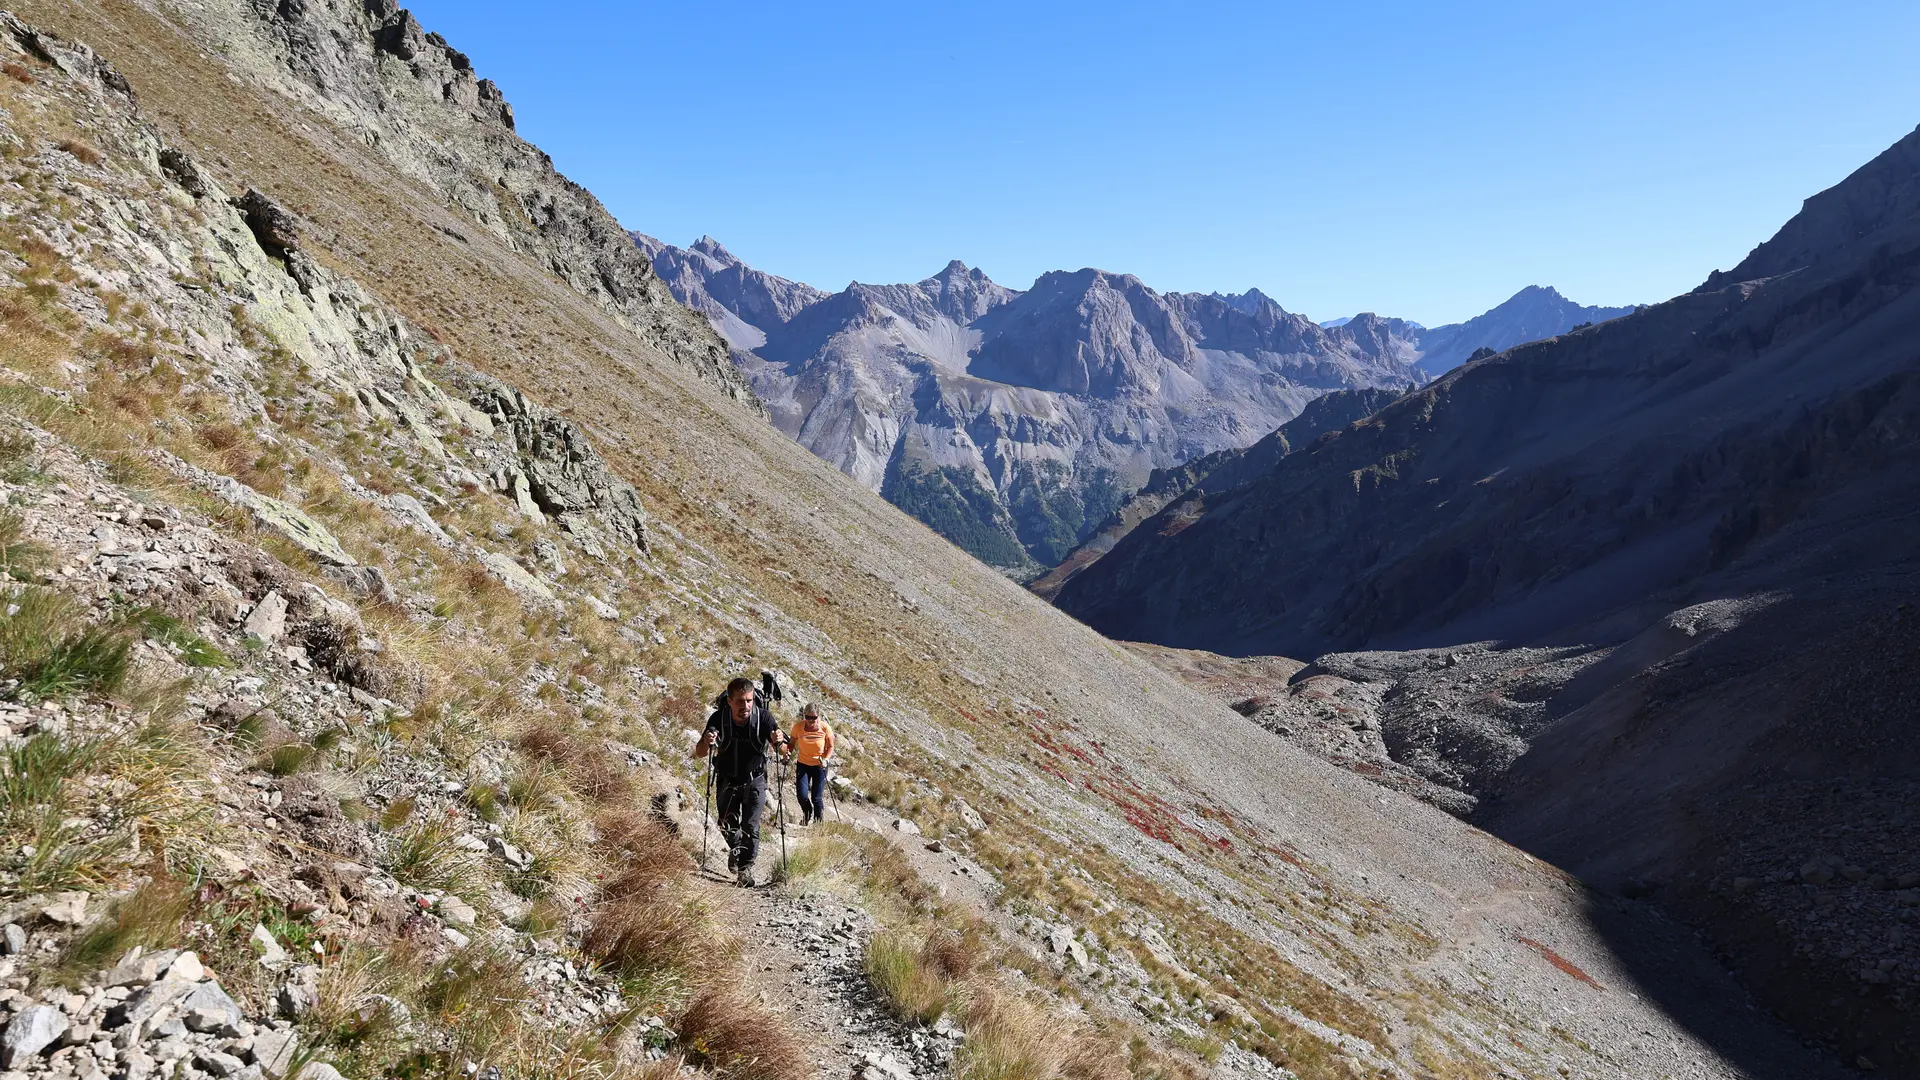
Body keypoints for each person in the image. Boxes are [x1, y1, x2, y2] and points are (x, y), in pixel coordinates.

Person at [691, 676, 790, 886]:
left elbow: (782, 751)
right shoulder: (718, 719)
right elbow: (700, 753)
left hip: (755, 780)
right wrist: (705, 741)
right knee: (727, 825)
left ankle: (745, 870)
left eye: (748, 700)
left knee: (751, 827)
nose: (745, 705)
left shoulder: (763, 718)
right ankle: (735, 848)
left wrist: (779, 742)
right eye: (740, 701)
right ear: (729, 700)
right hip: (726, 780)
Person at [788, 703, 835, 825]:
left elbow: (830, 746)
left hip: (820, 766)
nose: (810, 720)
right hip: (803, 764)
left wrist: (826, 759)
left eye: (813, 717)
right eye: (807, 717)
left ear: (818, 716)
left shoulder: (825, 728)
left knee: (816, 797)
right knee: (802, 795)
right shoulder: (798, 727)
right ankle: (807, 812)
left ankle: (818, 824)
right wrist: (786, 753)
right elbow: (791, 744)